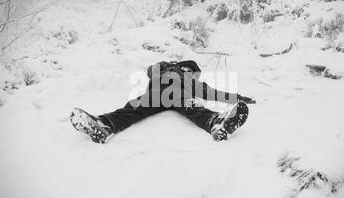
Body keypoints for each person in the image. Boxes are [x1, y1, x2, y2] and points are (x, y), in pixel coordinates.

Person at [70, 60, 256, 143]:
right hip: (157, 94)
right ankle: (105, 125)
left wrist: (236, 97)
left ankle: (218, 124)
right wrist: (168, 66)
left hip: (176, 95)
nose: (190, 72)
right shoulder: (166, 71)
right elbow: (150, 70)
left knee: (194, 108)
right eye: (189, 69)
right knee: (134, 107)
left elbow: (212, 92)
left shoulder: (192, 82)